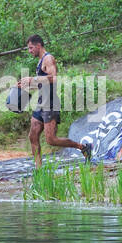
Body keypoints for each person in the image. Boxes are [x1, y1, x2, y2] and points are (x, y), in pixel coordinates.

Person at [19, 34, 91, 167]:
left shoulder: (48, 59)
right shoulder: (40, 61)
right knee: (33, 135)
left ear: (38, 45)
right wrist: (26, 85)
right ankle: (38, 170)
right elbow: (43, 83)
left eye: (30, 48)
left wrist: (32, 80)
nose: (29, 51)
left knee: (51, 139)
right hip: (41, 102)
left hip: (50, 103)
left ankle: (83, 147)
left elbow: (54, 78)